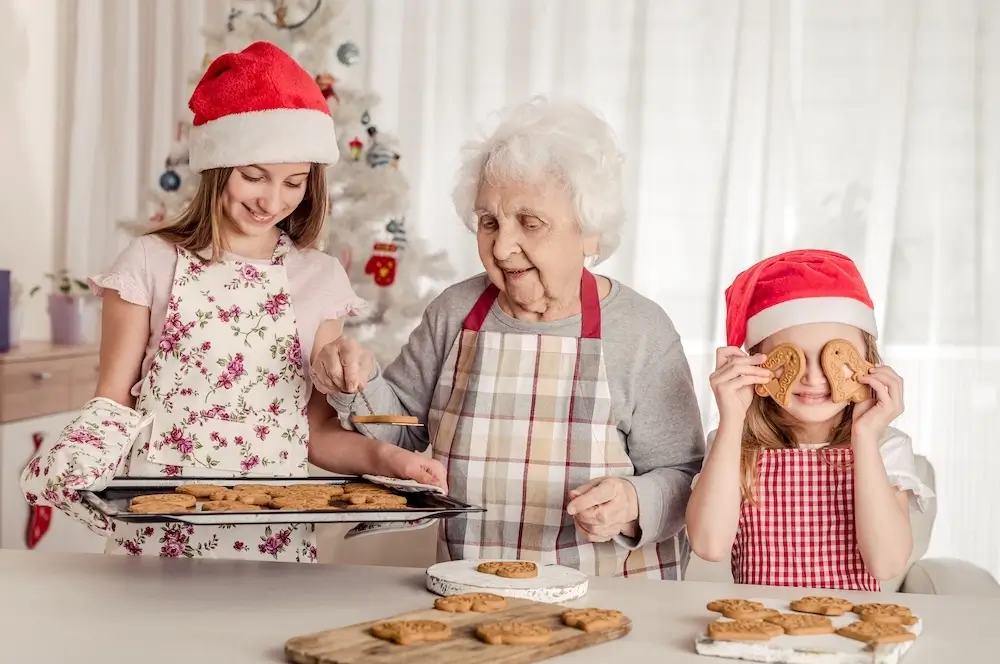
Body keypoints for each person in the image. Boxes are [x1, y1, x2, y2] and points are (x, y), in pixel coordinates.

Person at [20, 41, 445, 562]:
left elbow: (313, 433)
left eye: (294, 182)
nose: (272, 201)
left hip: (273, 535)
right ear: (219, 166)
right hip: (158, 527)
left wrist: (389, 460)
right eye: (254, 176)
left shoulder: (320, 277)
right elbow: (113, 403)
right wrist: (70, 467)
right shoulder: (149, 262)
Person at [310, 96, 705, 579]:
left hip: (611, 596)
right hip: (475, 586)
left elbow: (685, 475)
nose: (501, 245)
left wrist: (632, 501)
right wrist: (358, 379)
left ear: (590, 231)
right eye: (488, 222)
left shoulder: (640, 330)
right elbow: (403, 432)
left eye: (530, 223)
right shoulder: (455, 312)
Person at [685, 249, 935, 590]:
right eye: (793, 357)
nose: (814, 378)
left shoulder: (885, 445)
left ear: (867, 363)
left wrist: (864, 438)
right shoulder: (734, 444)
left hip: (854, 629)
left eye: (834, 356)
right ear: (757, 365)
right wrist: (731, 419)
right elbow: (709, 545)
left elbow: (887, 563)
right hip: (759, 629)